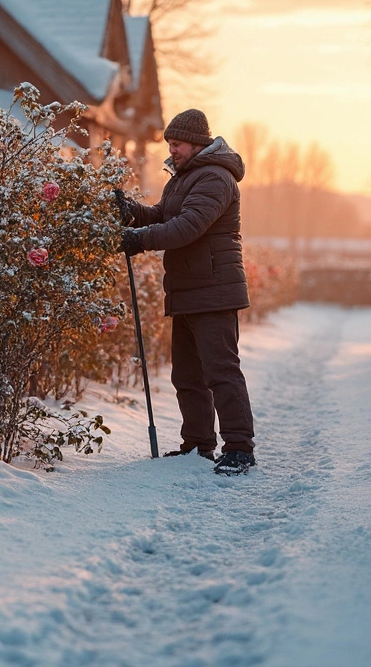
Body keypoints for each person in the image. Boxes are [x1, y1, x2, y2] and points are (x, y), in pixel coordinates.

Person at [114, 108, 257, 476]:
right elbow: (164, 215)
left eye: (176, 144)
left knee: (221, 371)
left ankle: (239, 448)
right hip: (189, 289)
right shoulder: (184, 178)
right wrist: (133, 212)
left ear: (196, 143)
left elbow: (187, 227)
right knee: (188, 376)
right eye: (170, 144)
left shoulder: (215, 178)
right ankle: (198, 445)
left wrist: (138, 240)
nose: (172, 150)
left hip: (215, 290)